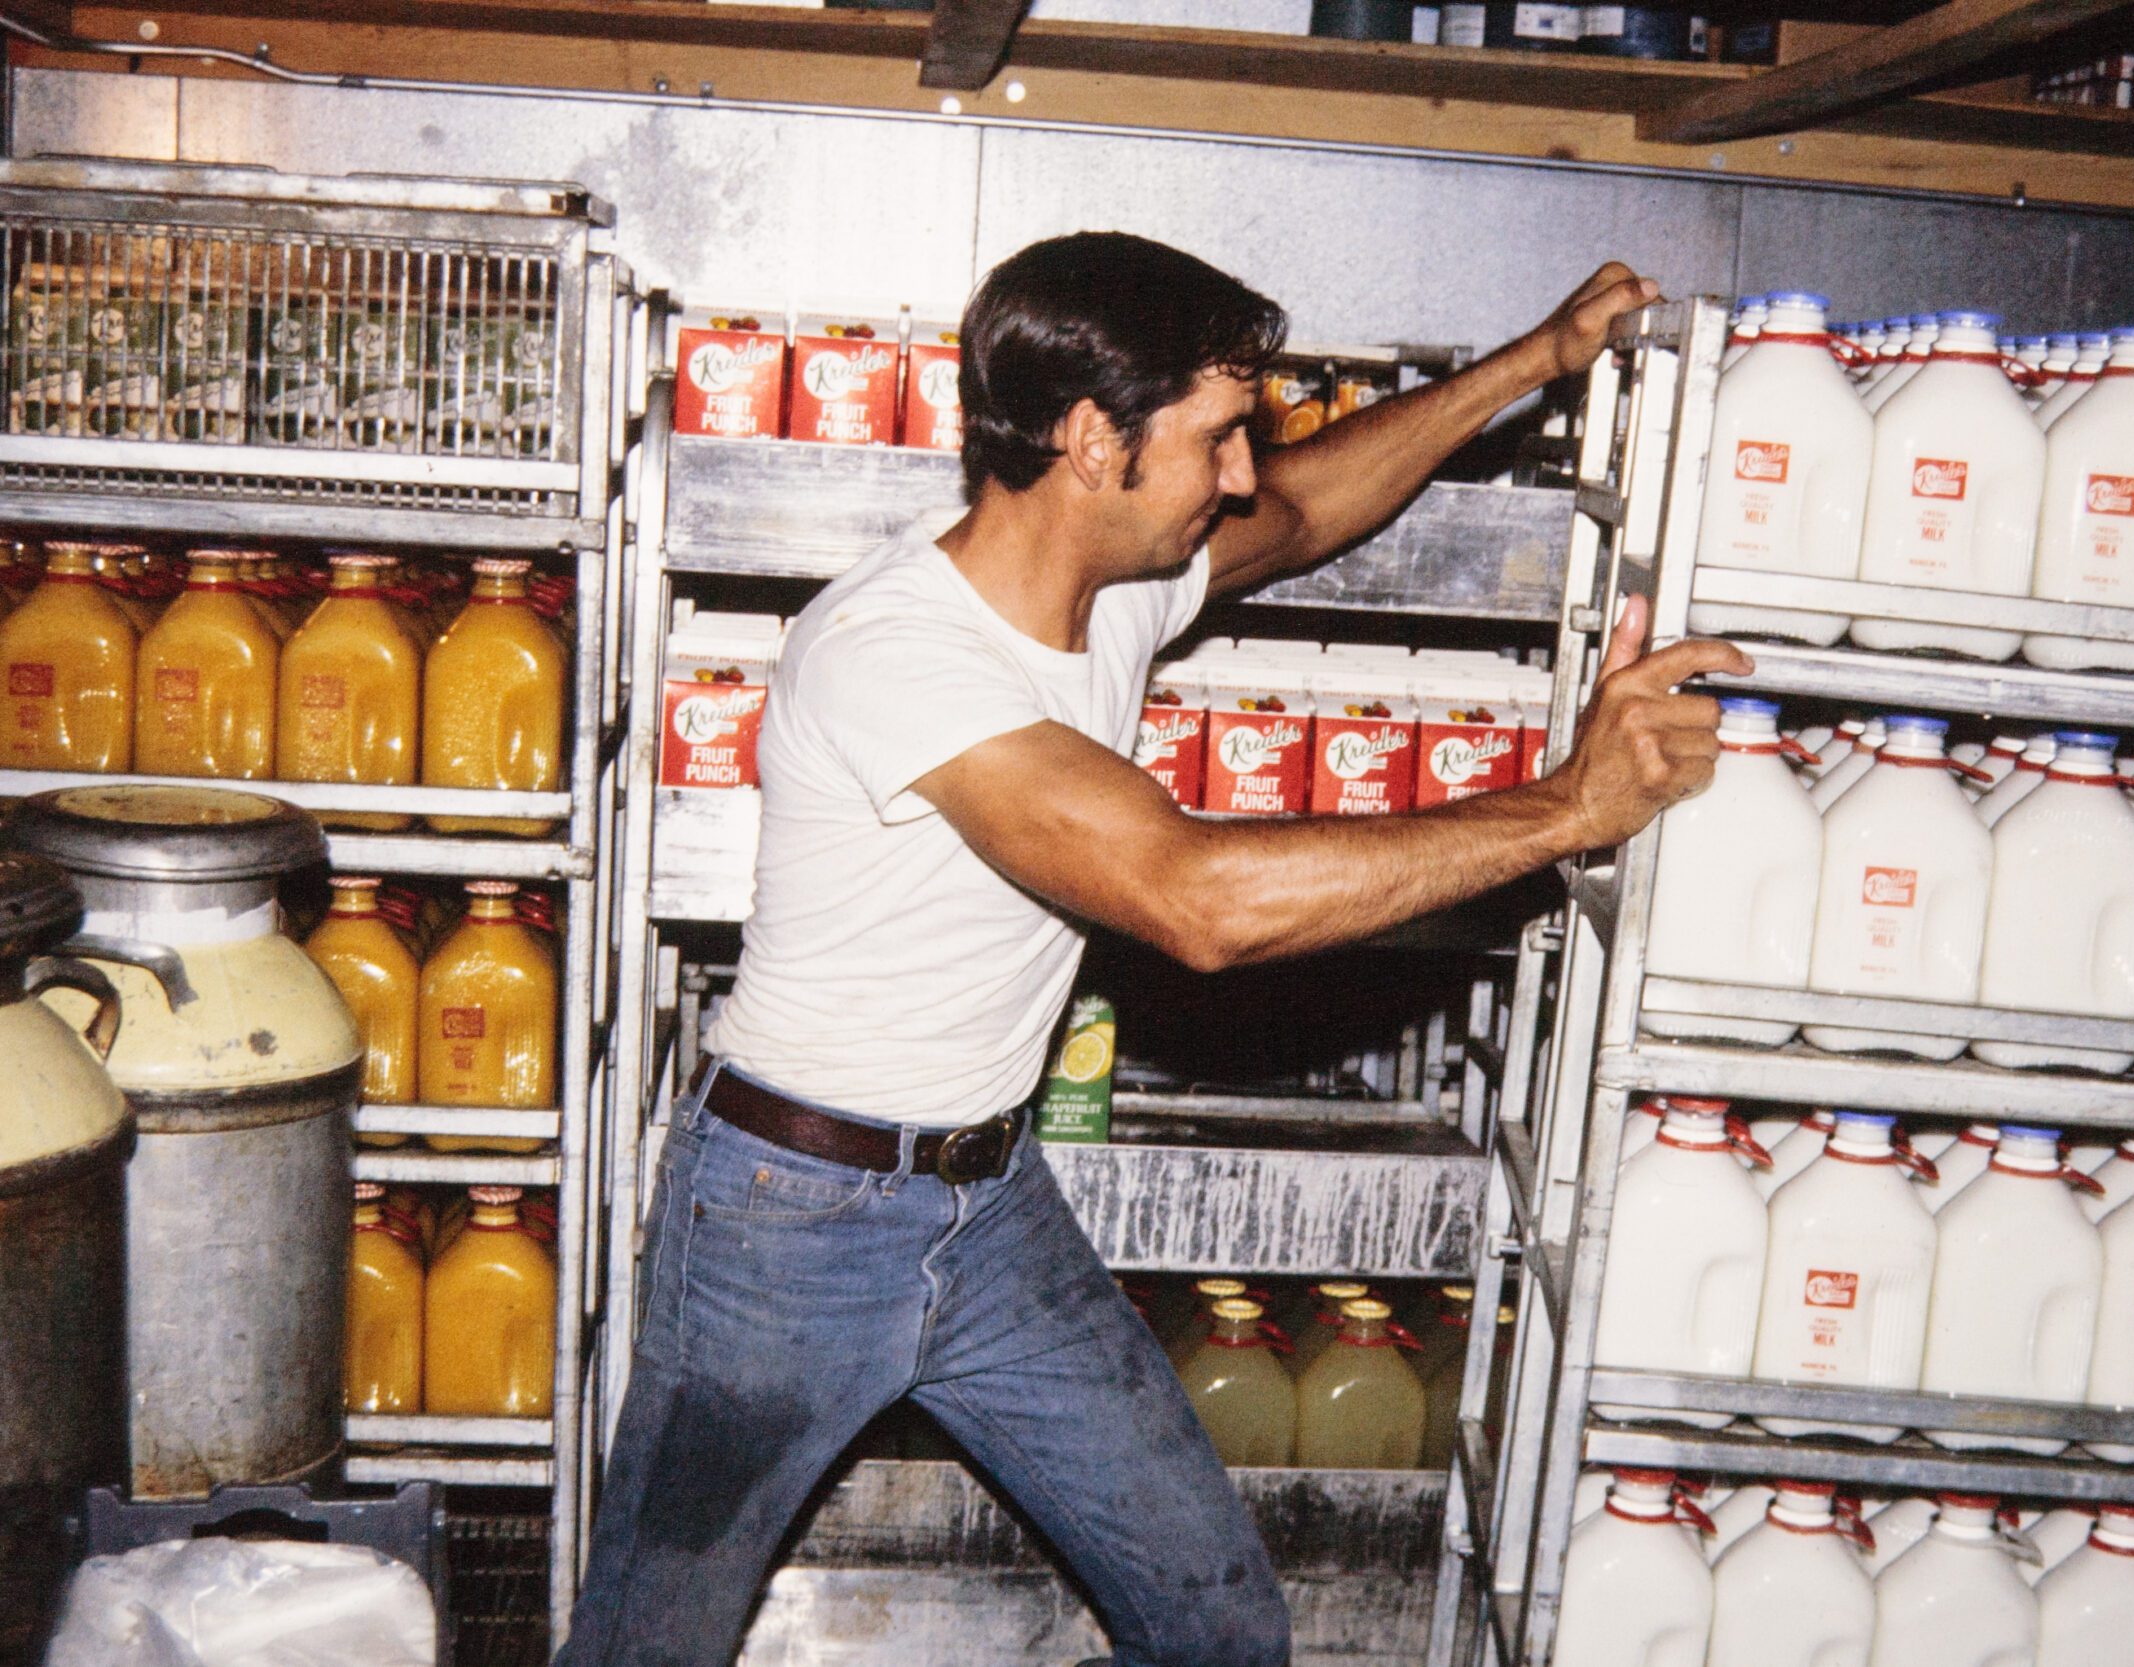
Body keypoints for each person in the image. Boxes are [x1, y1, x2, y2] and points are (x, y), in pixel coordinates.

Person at [560, 231, 1749, 1666]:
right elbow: (1196, 902)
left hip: (989, 1208)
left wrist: (1533, 362)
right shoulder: (894, 654)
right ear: (1086, 440)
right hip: (788, 1222)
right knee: (647, 1650)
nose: (1240, 474)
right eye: (1216, 437)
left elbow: (1307, 512)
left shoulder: (1121, 582)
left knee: (1218, 1628)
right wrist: (1572, 805)